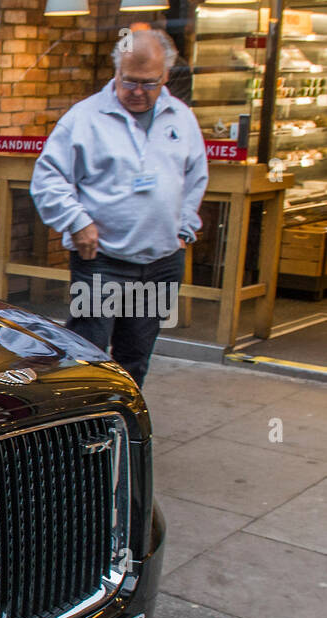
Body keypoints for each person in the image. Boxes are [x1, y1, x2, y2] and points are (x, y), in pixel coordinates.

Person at [30, 27, 207, 385]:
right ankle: (83, 433)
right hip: (102, 262)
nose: (138, 92)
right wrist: (76, 221)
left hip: (161, 262)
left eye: (149, 83)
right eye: (130, 82)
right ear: (116, 71)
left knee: (136, 357)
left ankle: (123, 433)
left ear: (166, 76)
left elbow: (194, 177)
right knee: (87, 355)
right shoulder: (84, 118)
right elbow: (48, 179)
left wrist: (184, 228)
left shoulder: (182, 117)